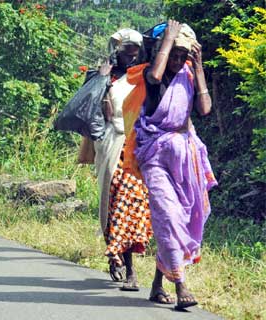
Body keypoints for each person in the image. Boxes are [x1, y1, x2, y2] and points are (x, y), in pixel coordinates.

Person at [134, 20, 217, 309]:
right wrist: (168, 40)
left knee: (176, 220)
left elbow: (204, 109)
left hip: (186, 157)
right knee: (168, 215)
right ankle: (181, 284)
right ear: (164, 50)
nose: (178, 61)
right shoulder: (151, 73)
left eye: (184, 55)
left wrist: (199, 67)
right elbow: (156, 75)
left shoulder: (188, 75)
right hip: (154, 154)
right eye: (175, 55)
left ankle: (157, 285)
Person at [92, 29, 153, 291]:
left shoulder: (148, 77)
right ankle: (119, 260)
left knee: (128, 205)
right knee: (113, 203)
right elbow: (91, 111)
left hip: (137, 148)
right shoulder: (107, 76)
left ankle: (127, 265)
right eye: (126, 53)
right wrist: (101, 82)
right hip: (112, 144)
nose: (131, 57)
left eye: (135, 53)